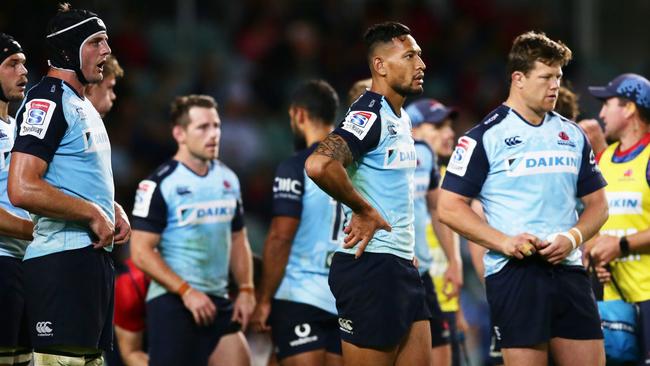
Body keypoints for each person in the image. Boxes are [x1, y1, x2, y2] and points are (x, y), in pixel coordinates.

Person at [438, 31, 608, 366]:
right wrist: (503, 242)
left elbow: (599, 205)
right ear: (518, 78)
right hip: (516, 275)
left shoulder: (572, 134)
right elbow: (448, 207)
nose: (555, 86)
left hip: (569, 270)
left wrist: (572, 237)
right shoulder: (484, 137)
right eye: (546, 77)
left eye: (558, 77)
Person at [8, 4, 131, 365]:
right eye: (96, 41)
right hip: (62, 262)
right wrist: (92, 212)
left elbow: (73, 178)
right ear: (68, 49)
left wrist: (111, 209)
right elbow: (22, 186)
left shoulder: (82, 104)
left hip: (89, 262)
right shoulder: (47, 98)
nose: (107, 51)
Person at [305, 21, 431, 366]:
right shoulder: (369, 113)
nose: (421, 65)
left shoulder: (400, 118)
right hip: (370, 268)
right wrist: (363, 210)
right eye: (409, 56)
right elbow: (319, 164)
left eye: (419, 55)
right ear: (380, 66)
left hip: (401, 266)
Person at [130, 94, 255, 366]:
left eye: (217, 126)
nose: (214, 135)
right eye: (203, 127)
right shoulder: (159, 183)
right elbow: (140, 251)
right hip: (174, 301)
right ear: (180, 133)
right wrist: (186, 291)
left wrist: (246, 289)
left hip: (217, 301)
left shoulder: (228, 178)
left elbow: (237, 237)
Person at [250, 79, 343, 366]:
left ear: (299, 115)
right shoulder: (356, 168)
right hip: (345, 299)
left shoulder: (297, 166)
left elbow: (280, 236)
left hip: (299, 297)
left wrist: (264, 300)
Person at [584, 73, 650, 365]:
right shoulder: (604, 160)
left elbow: (617, 238)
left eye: (606, 103)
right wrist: (596, 250)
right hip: (614, 301)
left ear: (630, 108)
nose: (600, 113)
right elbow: (598, 220)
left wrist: (620, 245)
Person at [406, 99, 464, 366]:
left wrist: (455, 262)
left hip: (436, 285)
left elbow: (441, 219)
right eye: (438, 126)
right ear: (413, 130)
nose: (449, 133)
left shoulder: (447, 174)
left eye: (449, 126)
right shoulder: (390, 163)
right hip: (401, 277)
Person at [0, 32, 32, 366]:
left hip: (26, 264)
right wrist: (40, 234)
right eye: (12, 64)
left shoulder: (19, 128)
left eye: (24, 64)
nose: (23, 72)